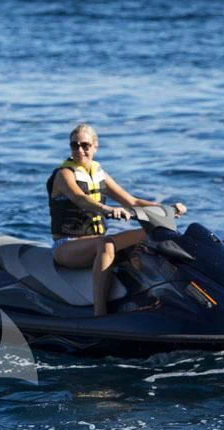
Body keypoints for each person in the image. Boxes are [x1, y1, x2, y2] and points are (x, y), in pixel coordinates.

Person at [48, 123, 187, 316]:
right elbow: (81, 199)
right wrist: (107, 209)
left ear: (95, 146)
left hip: (93, 241)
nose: (80, 150)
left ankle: (163, 298)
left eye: (85, 145)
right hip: (67, 246)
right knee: (106, 245)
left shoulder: (98, 174)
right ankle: (100, 314)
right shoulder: (64, 175)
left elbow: (131, 200)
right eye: (74, 145)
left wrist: (167, 210)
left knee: (151, 234)